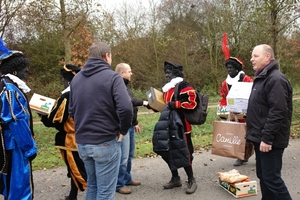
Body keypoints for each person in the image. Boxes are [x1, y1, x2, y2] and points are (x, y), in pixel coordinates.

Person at [68, 41, 133, 200]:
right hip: (105, 141)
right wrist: (122, 130)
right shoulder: (113, 77)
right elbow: (126, 108)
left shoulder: (76, 80)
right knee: (105, 192)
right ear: (107, 56)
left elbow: (71, 110)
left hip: (83, 142)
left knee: (93, 186)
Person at [246, 44, 292, 200]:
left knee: (272, 180)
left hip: (270, 141)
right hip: (261, 139)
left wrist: (266, 138)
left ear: (267, 57)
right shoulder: (262, 78)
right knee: (264, 177)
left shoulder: (275, 79)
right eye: (252, 56)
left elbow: (278, 111)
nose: (251, 59)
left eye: (255, 56)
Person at [40, 64, 87, 200]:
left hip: (72, 139)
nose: (62, 82)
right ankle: (72, 196)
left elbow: (56, 120)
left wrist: (43, 114)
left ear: (68, 80)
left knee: (77, 169)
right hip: (86, 135)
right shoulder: (85, 92)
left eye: (63, 79)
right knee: (77, 168)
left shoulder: (68, 95)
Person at [0, 39, 38, 200]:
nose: (27, 71)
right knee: (20, 188)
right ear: (14, 71)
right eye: (24, 68)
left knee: (12, 185)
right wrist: (30, 148)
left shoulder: (5, 85)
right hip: (15, 145)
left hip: (10, 144)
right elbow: (16, 122)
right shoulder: (10, 89)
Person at [153, 61, 197, 194]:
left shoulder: (183, 86)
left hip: (182, 125)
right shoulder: (167, 88)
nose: (166, 75)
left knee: (185, 152)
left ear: (176, 73)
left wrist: (175, 104)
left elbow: (192, 103)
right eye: (165, 72)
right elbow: (165, 105)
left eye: (169, 72)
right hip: (167, 125)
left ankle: (191, 179)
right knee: (168, 150)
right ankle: (175, 178)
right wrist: (155, 106)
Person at [114, 63, 148, 194]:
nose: (131, 73)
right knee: (122, 158)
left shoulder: (126, 85)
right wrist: (144, 102)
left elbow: (130, 108)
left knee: (129, 155)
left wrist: (135, 123)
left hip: (130, 125)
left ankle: (127, 178)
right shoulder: (118, 86)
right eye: (129, 71)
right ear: (122, 73)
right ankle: (119, 184)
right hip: (123, 127)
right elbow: (129, 101)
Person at [218, 57, 254, 166]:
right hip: (234, 114)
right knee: (238, 136)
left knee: (252, 135)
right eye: (228, 67)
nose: (229, 69)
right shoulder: (225, 83)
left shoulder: (247, 79)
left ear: (237, 69)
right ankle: (241, 156)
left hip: (248, 113)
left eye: (231, 67)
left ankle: (256, 155)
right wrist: (223, 109)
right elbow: (224, 97)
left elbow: (252, 95)